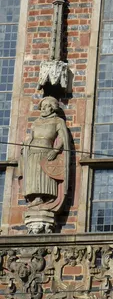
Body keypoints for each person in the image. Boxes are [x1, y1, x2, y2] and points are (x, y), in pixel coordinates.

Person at [19, 96, 71, 233]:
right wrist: (25, 145)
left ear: (52, 107)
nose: (43, 109)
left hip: (46, 152)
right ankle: (35, 197)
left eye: (46, 106)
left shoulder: (58, 121)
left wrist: (55, 151)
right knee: (34, 176)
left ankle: (44, 197)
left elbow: (63, 139)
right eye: (42, 106)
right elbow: (31, 137)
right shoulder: (36, 123)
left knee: (44, 177)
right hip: (32, 152)